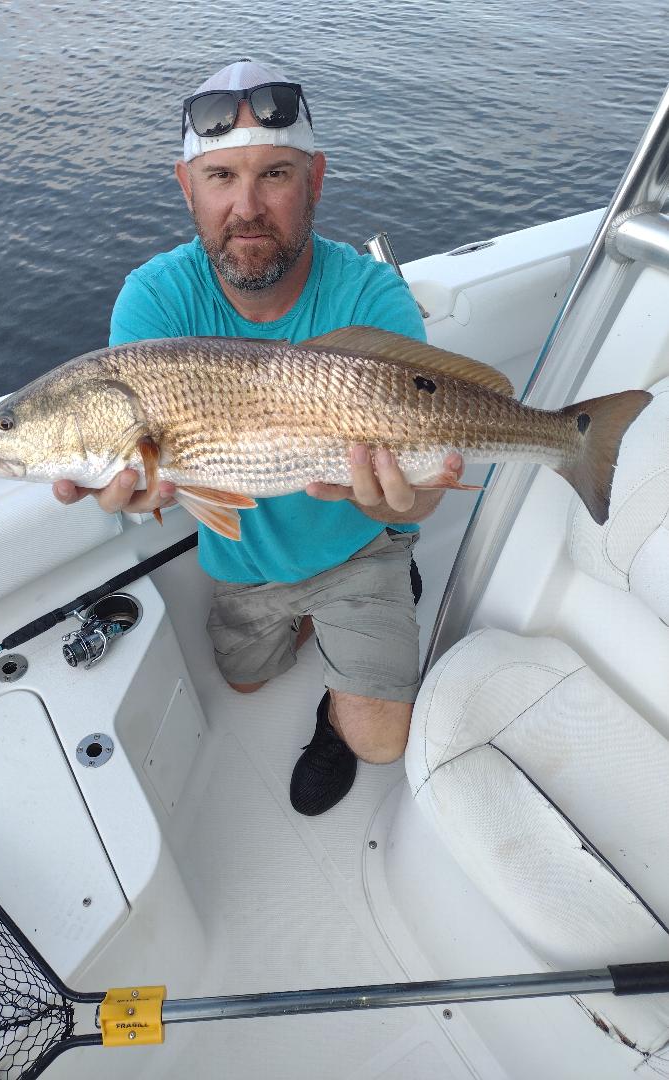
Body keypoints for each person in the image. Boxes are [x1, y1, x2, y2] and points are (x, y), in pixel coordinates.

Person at [53, 58, 463, 816]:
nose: (247, 207)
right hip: (243, 559)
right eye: (220, 179)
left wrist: (405, 505)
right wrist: (137, 495)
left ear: (316, 179)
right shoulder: (154, 299)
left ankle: (347, 686)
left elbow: (426, 485)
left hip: (358, 544)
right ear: (186, 187)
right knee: (245, 679)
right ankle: (321, 627)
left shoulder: (371, 296)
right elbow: (155, 486)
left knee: (382, 743)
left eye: (275, 173)